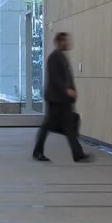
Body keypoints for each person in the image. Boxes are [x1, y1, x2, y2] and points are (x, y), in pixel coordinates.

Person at [32, 31, 87, 162]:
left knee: (69, 126)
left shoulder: (62, 57)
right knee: (48, 126)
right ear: (58, 42)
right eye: (64, 41)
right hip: (55, 99)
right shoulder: (54, 57)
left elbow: (66, 77)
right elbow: (55, 78)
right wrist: (66, 89)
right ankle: (38, 151)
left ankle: (77, 153)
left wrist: (71, 92)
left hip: (63, 99)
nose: (66, 43)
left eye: (67, 40)